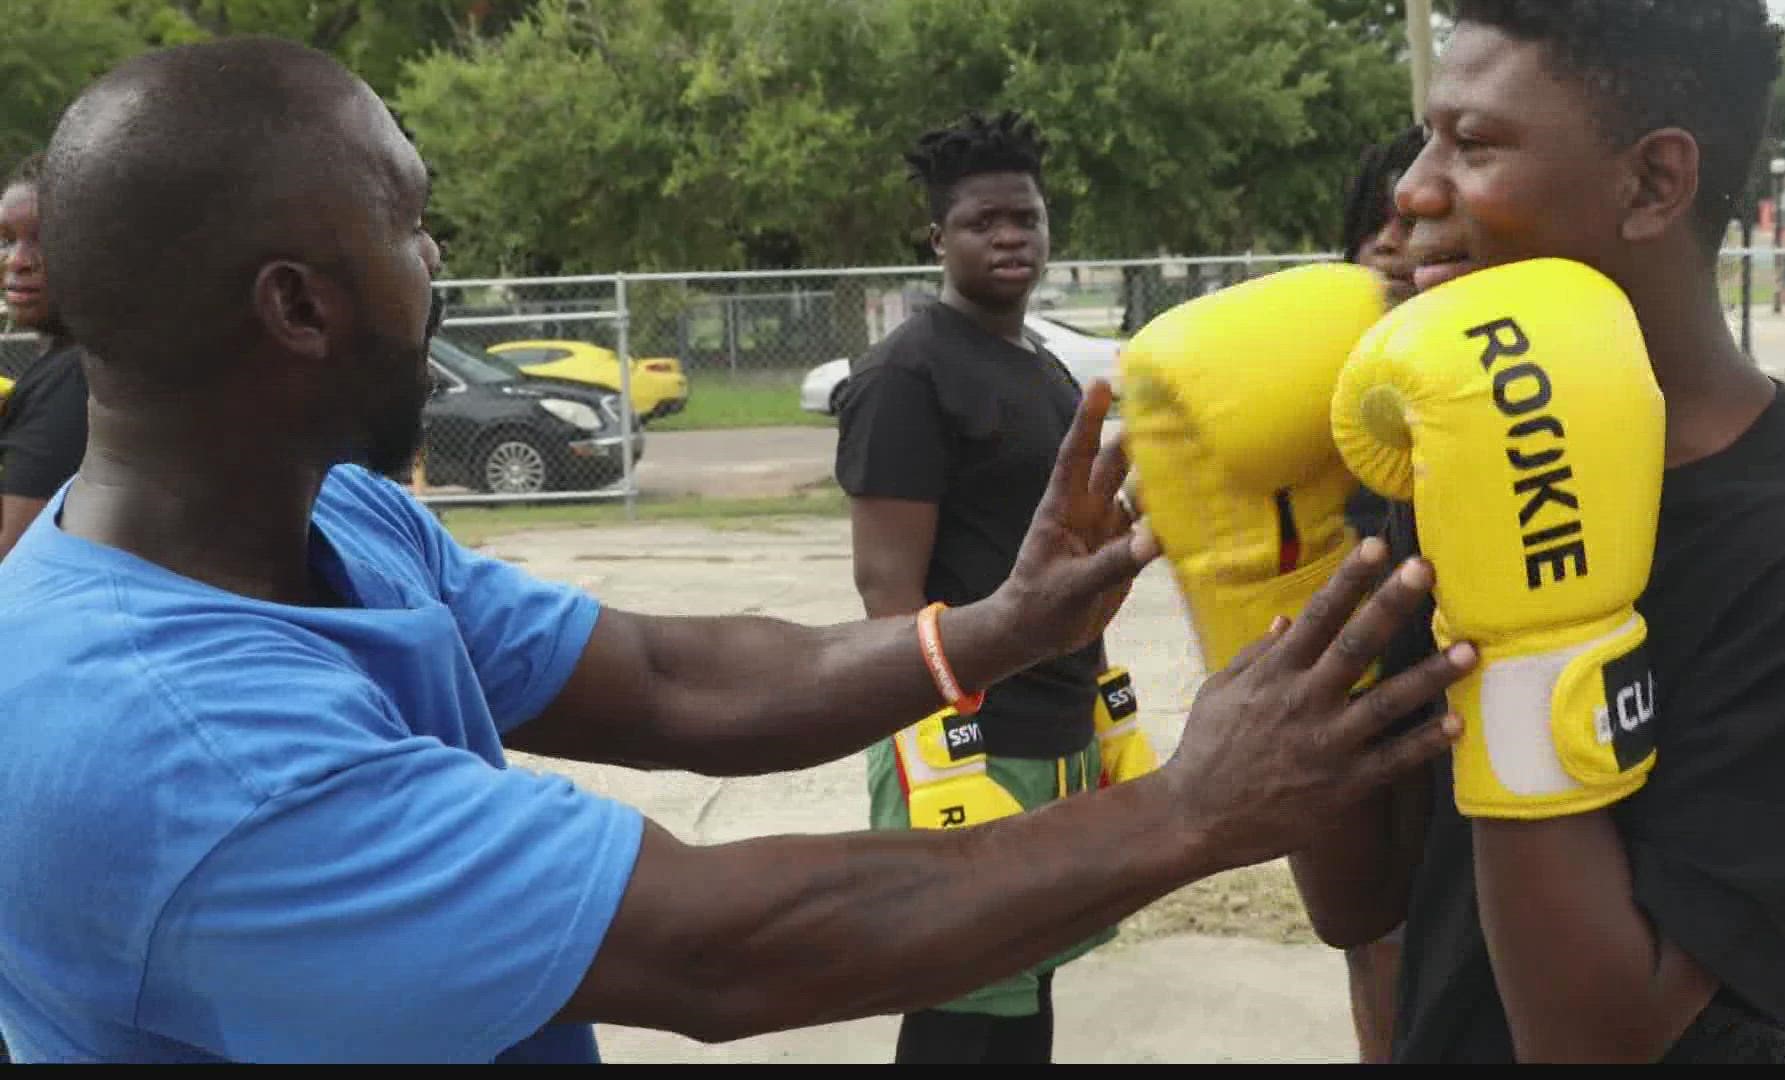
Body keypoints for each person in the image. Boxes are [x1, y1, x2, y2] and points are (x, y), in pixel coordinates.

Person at [0, 38, 1475, 1064]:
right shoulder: (173, 749)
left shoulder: (332, 518)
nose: (440, 264)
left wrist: (998, 628)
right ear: (297, 309)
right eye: (413, 223)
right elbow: (717, 951)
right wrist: (1194, 814)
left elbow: (661, 675)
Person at [1288, 0, 1785, 1063]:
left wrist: (1539, 630)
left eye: (1473, 144)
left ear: (1653, 183)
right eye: (1428, 134)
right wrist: (1274, 567)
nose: (1411, 188)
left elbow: (1593, 1045)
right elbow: (1359, 901)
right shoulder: (1452, 452)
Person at [831, 109, 1145, 1064]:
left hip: (1055, 724)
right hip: (968, 739)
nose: (1012, 237)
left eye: (1028, 218)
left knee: (1025, 985)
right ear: (938, 239)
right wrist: (945, 747)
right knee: (964, 1002)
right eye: (983, 222)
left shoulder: (1044, 365)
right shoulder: (907, 375)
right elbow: (887, 591)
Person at [1329, 121, 1427, 1065]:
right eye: (1379, 222)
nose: (1394, 243)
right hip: (1369, 723)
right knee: (1376, 945)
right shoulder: (1323, 399)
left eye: (1419, 220)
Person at [0, 151, 88, 560]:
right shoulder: (62, 363)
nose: (18, 262)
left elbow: (12, 552)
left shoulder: (73, 375)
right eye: (5, 240)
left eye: (45, 240)